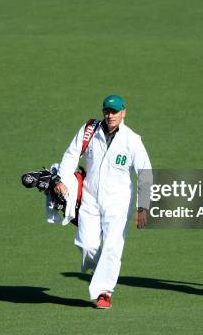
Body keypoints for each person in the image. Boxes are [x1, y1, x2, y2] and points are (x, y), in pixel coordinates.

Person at [54, 94, 152, 309]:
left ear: (123, 113)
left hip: (118, 202)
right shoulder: (89, 130)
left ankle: (103, 292)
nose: (110, 115)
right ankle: (103, 272)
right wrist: (61, 180)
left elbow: (145, 172)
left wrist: (143, 206)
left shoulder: (131, 140)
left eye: (115, 111)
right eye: (107, 111)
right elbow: (72, 154)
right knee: (86, 244)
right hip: (90, 197)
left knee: (112, 247)